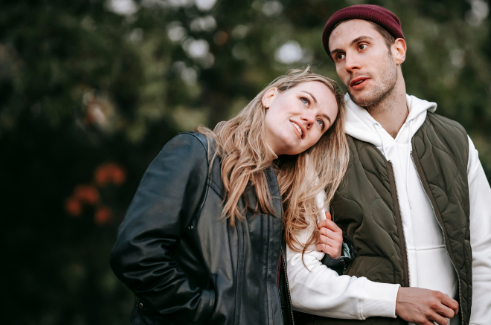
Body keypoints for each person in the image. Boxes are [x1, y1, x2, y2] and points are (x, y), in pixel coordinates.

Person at [286, 5, 491, 325]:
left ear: (398, 50)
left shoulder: (453, 139)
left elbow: (483, 253)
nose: (350, 64)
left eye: (361, 46)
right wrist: (394, 300)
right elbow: (297, 277)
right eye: (339, 56)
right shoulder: (322, 145)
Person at [110, 68, 350, 325]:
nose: (310, 119)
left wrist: (330, 256)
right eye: (305, 100)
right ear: (269, 96)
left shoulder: (282, 198)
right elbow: (137, 254)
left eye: (321, 122)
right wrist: (210, 312)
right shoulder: (198, 154)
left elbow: (277, 296)